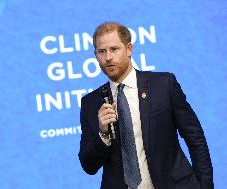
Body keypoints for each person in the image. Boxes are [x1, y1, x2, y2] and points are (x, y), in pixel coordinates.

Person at [78, 22, 213, 189]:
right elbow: (88, 166)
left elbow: (195, 138)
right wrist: (103, 134)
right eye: (102, 51)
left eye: (114, 49)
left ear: (128, 49)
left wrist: (205, 185)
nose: (108, 58)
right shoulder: (91, 103)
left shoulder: (163, 84)